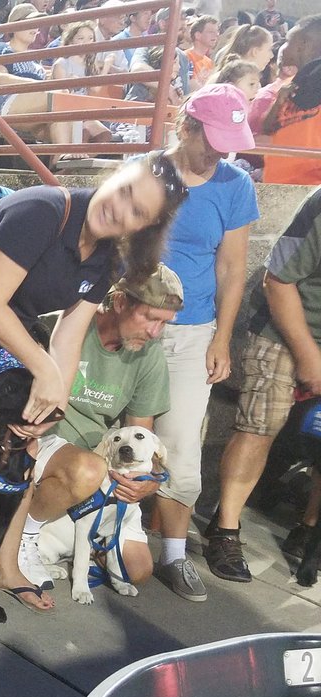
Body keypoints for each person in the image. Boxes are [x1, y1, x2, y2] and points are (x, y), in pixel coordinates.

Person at [0, 153, 187, 624]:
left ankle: (5, 565)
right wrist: (46, 372)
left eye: (137, 212)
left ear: (144, 228)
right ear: (113, 176)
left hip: (1, 339)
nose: (120, 209)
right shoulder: (40, 211)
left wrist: (49, 405)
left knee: (27, 447)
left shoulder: (107, 258)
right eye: (124, 190)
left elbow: (68, 336)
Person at [148, 84, 258, 602]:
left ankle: (172, 552)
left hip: (193, 333)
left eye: (227, 141)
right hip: (135, 324)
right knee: (110, 430)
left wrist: (222, 336)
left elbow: (232, 267)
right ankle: (77, 539)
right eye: (211, 138)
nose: (220, 152)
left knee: (183, 448)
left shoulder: (235, 184)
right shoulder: (148, 171)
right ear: (186, 127)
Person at [22, 264, 181, 592]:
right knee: (87, 470)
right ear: (120, 302)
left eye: (163, 324)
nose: (154, 333)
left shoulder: (148, 356)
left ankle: (71, 548)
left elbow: (142, 435)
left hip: (105, 461)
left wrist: (146, 481)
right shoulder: (67, 324)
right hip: (49, 440)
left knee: (137, 571)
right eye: (150, 318)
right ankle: (24, 538)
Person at [204, 186, 321, 582]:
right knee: (260, 427)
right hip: (284, 326)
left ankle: (307, 531)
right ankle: (225, 528)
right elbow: (278, 283)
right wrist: (309, 358)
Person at [0, 4, 94, 161]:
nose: (36, 29)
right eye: (30, 24)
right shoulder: (3, 48)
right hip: (3, 103)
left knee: (79, 126)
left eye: (37, 25)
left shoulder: (35, 60)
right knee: (60, 99)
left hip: (33, 108)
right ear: (14, 25)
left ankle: (60, 168)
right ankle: (64, 156)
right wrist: (35, 85)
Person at [261, 15, 321, 187]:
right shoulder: (290, 85)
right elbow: (266, 128)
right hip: (276, 186)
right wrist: (278, 102)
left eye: (288, 41)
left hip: (311, 195)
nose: (282, 47)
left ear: (303, 44)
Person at [186, 15, 220, 88]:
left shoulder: (209, 62)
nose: (216, 35)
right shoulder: (186, 57)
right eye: (211, 32)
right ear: (198, 35)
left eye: (217, 32)